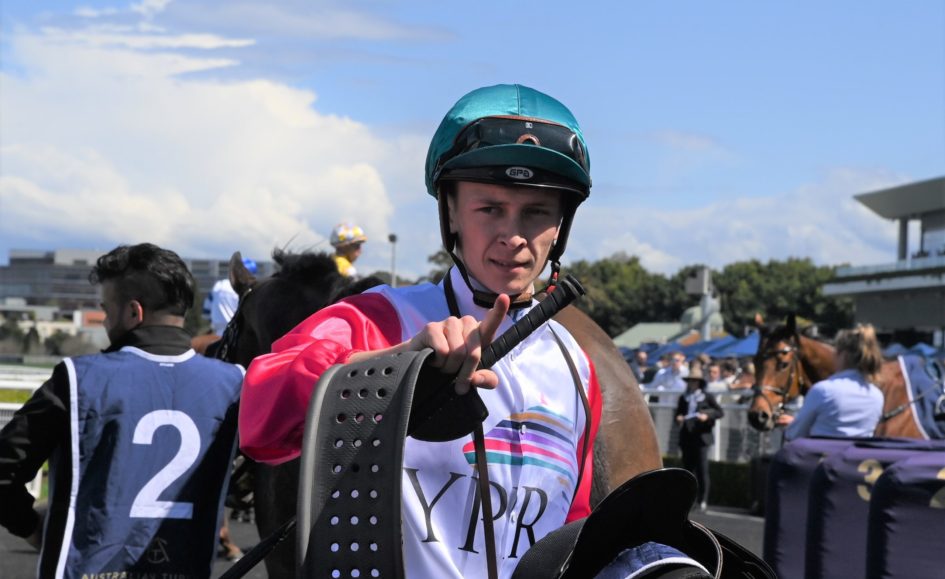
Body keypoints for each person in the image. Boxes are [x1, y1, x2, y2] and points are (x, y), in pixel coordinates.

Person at [239, 84, 602, 579]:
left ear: (561, 224)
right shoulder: (378, 317)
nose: (514, 236)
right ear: (451, 211)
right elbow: (260, 417)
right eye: (490, 209)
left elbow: (573, 525)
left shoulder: (577, 368)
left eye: (537, 211)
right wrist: (394, 366)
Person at [0, 243, 244, 578]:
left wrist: (30, 527)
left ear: (133, 312)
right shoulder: (235, 384)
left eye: (106, 310)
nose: (104, 321)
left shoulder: (78, 378)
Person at [777, 324, 884, 440]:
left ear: (843, 355)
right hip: (857, 452)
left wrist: (792, 424)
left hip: (821, 451)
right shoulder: (876, 396)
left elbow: (794, 434)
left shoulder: (823, 390)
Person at [674, 367, 724, 511]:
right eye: (690, 381)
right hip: (687, 436)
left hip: (702, 437)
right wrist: (678, 418)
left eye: (694, 381)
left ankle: (703, 499)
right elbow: (678, 414)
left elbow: (720, 412)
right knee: (688, 469)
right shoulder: (684, 397)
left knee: (702, 468)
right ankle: (689, 499)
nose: (692, 383)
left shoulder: (707, 396)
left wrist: (707, 416)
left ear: (700, 383)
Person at [204, 257, 258, 335]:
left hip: (217, 331)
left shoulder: (219, 285)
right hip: (237, 333)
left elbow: (206, 311)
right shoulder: (248, 289)